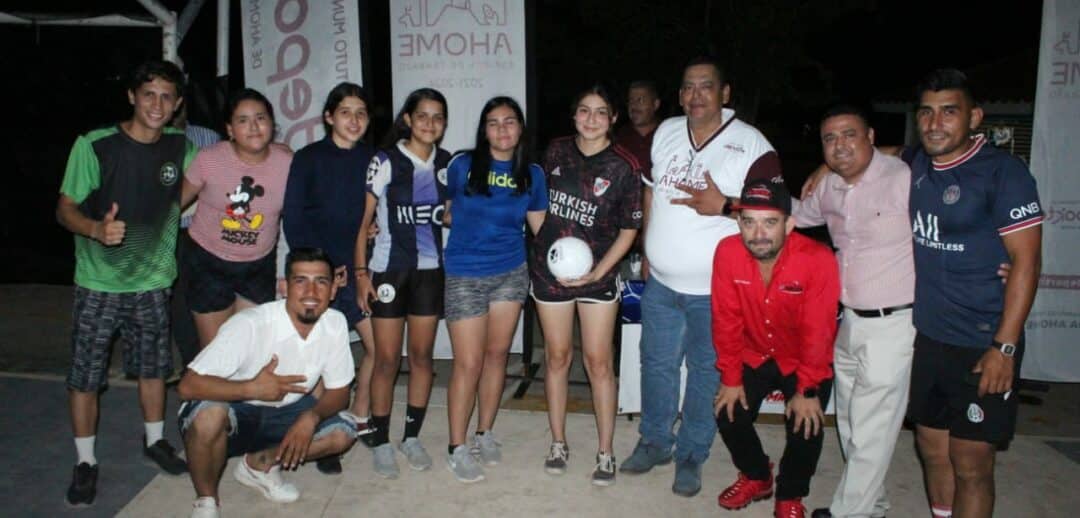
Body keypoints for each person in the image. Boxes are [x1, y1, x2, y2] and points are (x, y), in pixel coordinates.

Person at [621, 55, 783, 499]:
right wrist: (646, 248)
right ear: (679, 95)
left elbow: (776, 213)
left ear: (725, 93)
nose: (695, 96)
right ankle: (655, 441)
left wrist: (728, 205)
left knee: (707, 373)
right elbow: (651, 192)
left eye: (705, 86)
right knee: (655, 364)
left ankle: (692, 452)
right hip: (662, 283)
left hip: (717, 291)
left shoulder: (752, 144)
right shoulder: (667, 132)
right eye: (688, 87)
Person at [901, 69, 1042, 518]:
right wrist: (828, 163)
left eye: (948, 112)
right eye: (926, 112)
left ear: (974, 117)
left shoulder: (1004, 172)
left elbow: (1027, 262)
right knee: (932, 448)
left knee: (972, 463)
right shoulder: (917, 164)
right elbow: (869, 154)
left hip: (983, 342)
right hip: (929, 337)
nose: (934, 123)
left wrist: (1005, 346)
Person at [56, 59, 196, 506]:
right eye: (149, 94)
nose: (158, 104)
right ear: (132, 97)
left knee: (154, 368)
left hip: (154, 282)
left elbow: (215, 175)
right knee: (85, 377)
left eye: (167, 97)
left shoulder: (180, 148)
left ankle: (155, 441)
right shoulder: (95, 145)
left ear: (177, 105)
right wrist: (96, 229)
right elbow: (64, 209)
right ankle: (85, 462)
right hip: (99, 282)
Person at [792, 105, 916, 518]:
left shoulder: (904, 177)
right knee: (849, 422)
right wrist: (731, 205)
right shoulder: (828, 187)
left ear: (871, 137)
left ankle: (851, 513)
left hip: (895, 323)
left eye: (849, 135)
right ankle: (874, 503)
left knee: (872, 429)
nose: (839, 145)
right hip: (847, 322)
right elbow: (791, 216)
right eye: (829, 139)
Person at [177, 247, 357, 518]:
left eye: (321, 282)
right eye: (300, 281)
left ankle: (260, 464)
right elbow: (187, 386)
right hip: (236, 412)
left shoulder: (335, 323)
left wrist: (311, 417)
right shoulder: (251, 324)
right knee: (208, 416)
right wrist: (251, 388)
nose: (311, 292)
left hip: (288, 412)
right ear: (284, 287)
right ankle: (206, 500)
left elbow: (340, 391)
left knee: (342, 433)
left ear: (333, 290)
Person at [532, 85, 641, 486]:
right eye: (583, 111)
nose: (591, 119)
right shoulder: (555, 152)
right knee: (557, 357)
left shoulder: (624, 166)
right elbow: (536, 202)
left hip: (599, 277)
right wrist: (546, 245)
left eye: (600, 112)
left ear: (613, 118)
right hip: (551, 275)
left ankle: (606, 450)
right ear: (573, 115)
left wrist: (598, 273)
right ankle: (558, 442)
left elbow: (630, 230)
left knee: (598, 362)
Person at [712, 180, 840, 518]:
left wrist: (808, 388)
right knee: (728, 411)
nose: (758, 233)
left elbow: (819, 330)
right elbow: (726, 320)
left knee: (806, 422)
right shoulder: (727, 252)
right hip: (753, 351)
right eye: (749, 221)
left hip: (802, 359)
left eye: (769, 222)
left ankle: (790, 495)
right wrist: (730, 377)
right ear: (739, 223)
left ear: (789, 224)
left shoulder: (818, 259)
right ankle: (757, 475)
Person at [441, 96, 548, 482]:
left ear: (520, 128)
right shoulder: (462, 165)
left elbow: (541, 228)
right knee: (468, 363)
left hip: (510, 272)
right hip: (465, 273)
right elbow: (449, 212)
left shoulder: (532, 174)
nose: (502, 129)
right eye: (493, 122)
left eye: (509, 122)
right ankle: (457, 445)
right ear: (483, 129)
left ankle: (484, 432)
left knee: (498, 355)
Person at [282, 82, 379, 472]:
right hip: (320, 275)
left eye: (361, 113)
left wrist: (375, 230)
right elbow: (294, 216)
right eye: (345, 112)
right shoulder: (308, 158)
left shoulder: (374, 159)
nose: (354, 120)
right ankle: (323, 434)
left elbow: (382, 209)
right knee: (321, 357)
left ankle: (356, 416)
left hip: (360, 271)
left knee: (380, 349)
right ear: (328, 117)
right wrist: (321, 270)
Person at [355, 88, 451, 479]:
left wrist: (451, 217)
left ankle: (410, 438)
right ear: (408, 119)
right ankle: (380, 441)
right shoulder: (386, 160)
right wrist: (362, 275)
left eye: (438, 117)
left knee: (424, 358)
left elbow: (452, 215)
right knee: (387, 359)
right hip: (389, 270)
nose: (430, 124)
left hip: (430, 273)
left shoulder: (448, 164)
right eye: (423, 116)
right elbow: (363, 224)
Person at [180, 88, 292, 350]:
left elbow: (302, 214)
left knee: (251, 350)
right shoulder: (209, 159)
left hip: (259, 265)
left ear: (272, 125)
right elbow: (172, 205)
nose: (254, 127)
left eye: (260, 118)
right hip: (208, 262)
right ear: (229, 129)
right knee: (216, 352)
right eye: (243, 120)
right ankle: (205, 391)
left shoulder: (287, 162)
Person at [171, 101, 222, 370]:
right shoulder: (154, 142)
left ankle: (212, 366)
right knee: (178, 304)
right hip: (169, 234)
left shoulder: (207, 137)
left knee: (209, 301)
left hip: (206, 232)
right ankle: (192, 366)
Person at [615, 79, 661, 173]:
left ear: (655, 104)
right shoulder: (617, 137)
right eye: (631, 100)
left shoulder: (669, 134)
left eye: (640, 100)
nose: (634, 105)